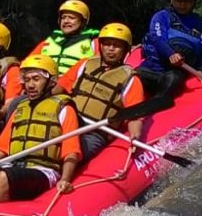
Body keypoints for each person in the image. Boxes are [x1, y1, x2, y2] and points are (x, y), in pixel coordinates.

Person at [0, 55, 81, 206]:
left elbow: (71, 151)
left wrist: (65, 179)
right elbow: (1, 149)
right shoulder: (20, 108)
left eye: (36, 79)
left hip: (44, 171)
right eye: (27, 79)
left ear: (51, 81)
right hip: (13, 166)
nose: (30, 85)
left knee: (4, 177)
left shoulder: (64, 109)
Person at [55, 22, 146, 161]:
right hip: (69, 121)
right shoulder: (85, 64)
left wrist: (134, 136)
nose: (111, 49)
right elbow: (60, 87)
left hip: (96, 132)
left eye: (116, 46)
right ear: (100, 46)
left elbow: (135, 116)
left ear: (126, 50)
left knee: (72, 155)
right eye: (107, 44)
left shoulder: (131, 80)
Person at [138, 0, 202, 96]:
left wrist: (200, 69)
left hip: (175, 73)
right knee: (132, 78)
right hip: (153, 68)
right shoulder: (161, 17)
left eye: (187, 0)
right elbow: (157, 38)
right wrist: (171, 54)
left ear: (194, 1)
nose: (182, 4)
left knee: (173, 79)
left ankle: (158, 103)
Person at [32, 0, 99, 73]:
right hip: (48, 82)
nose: (66, 21)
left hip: (76, 83)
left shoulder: (93, 41)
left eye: (71, 18)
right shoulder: (50, 40)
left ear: (83, 22)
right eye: (63, 17)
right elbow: (29, 62)